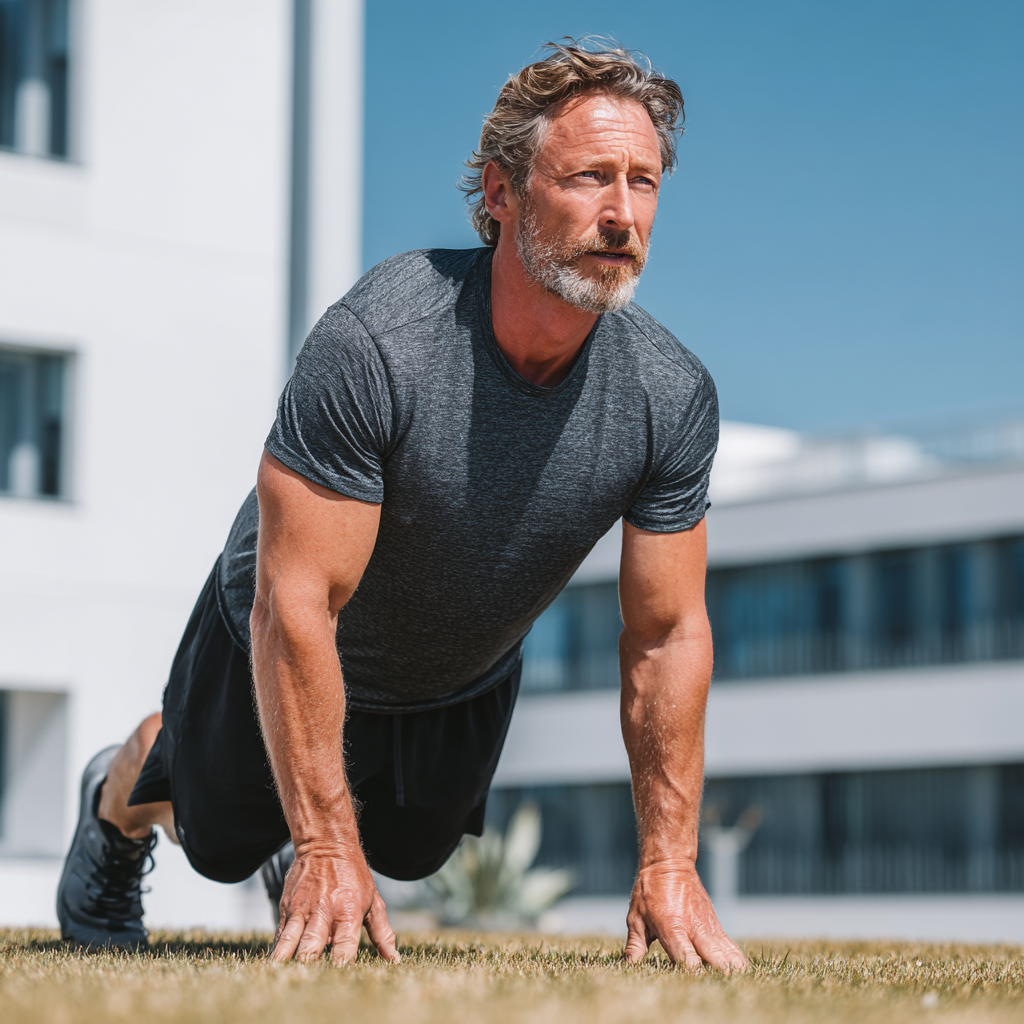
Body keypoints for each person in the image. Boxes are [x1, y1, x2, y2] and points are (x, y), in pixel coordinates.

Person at [56, 40, 748, 971]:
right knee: (220, 838)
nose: (623, 214)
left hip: (455, 673)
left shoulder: (670, 395)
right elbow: (296, 604)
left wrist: (670, 861)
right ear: (502, 194)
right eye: (589, 178)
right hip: (278, 631)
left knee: (411, 855)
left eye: (645, 182)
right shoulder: (382, 341)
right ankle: (123, 784)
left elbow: (666, 636)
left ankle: (313, 811)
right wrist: (324, 847)